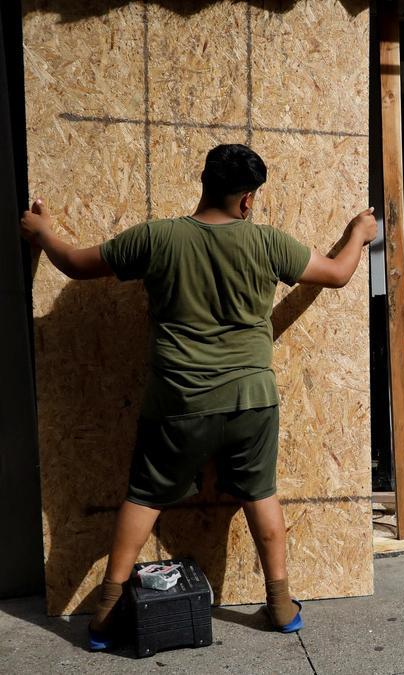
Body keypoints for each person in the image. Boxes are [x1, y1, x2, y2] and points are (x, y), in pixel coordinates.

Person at [19, 144, 376, 648]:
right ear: (248, 200)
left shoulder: (158, 237)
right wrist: (357, 234)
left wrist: (43, 234)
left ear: (203, 181)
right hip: (252, 400)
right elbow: (337, 275)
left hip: (179, 401)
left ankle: (104, 611)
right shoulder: (269, 243)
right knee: (259, 493)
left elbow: (76, 264)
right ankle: (279, 604)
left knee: (144, 495)